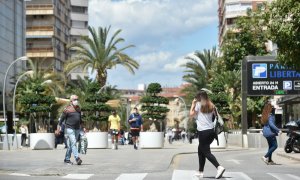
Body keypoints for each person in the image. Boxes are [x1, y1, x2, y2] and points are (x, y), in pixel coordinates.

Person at [189, 91, 225, 179]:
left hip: (203, 132)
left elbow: (191, 114)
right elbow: (215, 117)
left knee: (206, 152)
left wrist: (193, 104)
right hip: (211, 132)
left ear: (199, 98)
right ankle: (200, 171)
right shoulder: (212, 105)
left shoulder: (198, 105)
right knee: (201, 150)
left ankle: (219, 167)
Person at [57, 95, 83, 165]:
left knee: (71, 145)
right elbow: (61, 120)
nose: (76, 101)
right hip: (69, 128)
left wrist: (83, 128)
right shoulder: (67, 109)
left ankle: (67, 159)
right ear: (71, 101)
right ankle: (77, 158)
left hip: (77, 128)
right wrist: (58, 129)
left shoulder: (78, 109)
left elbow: (80, 119)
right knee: (74, 143)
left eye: (77, 99)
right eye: (75, 99)